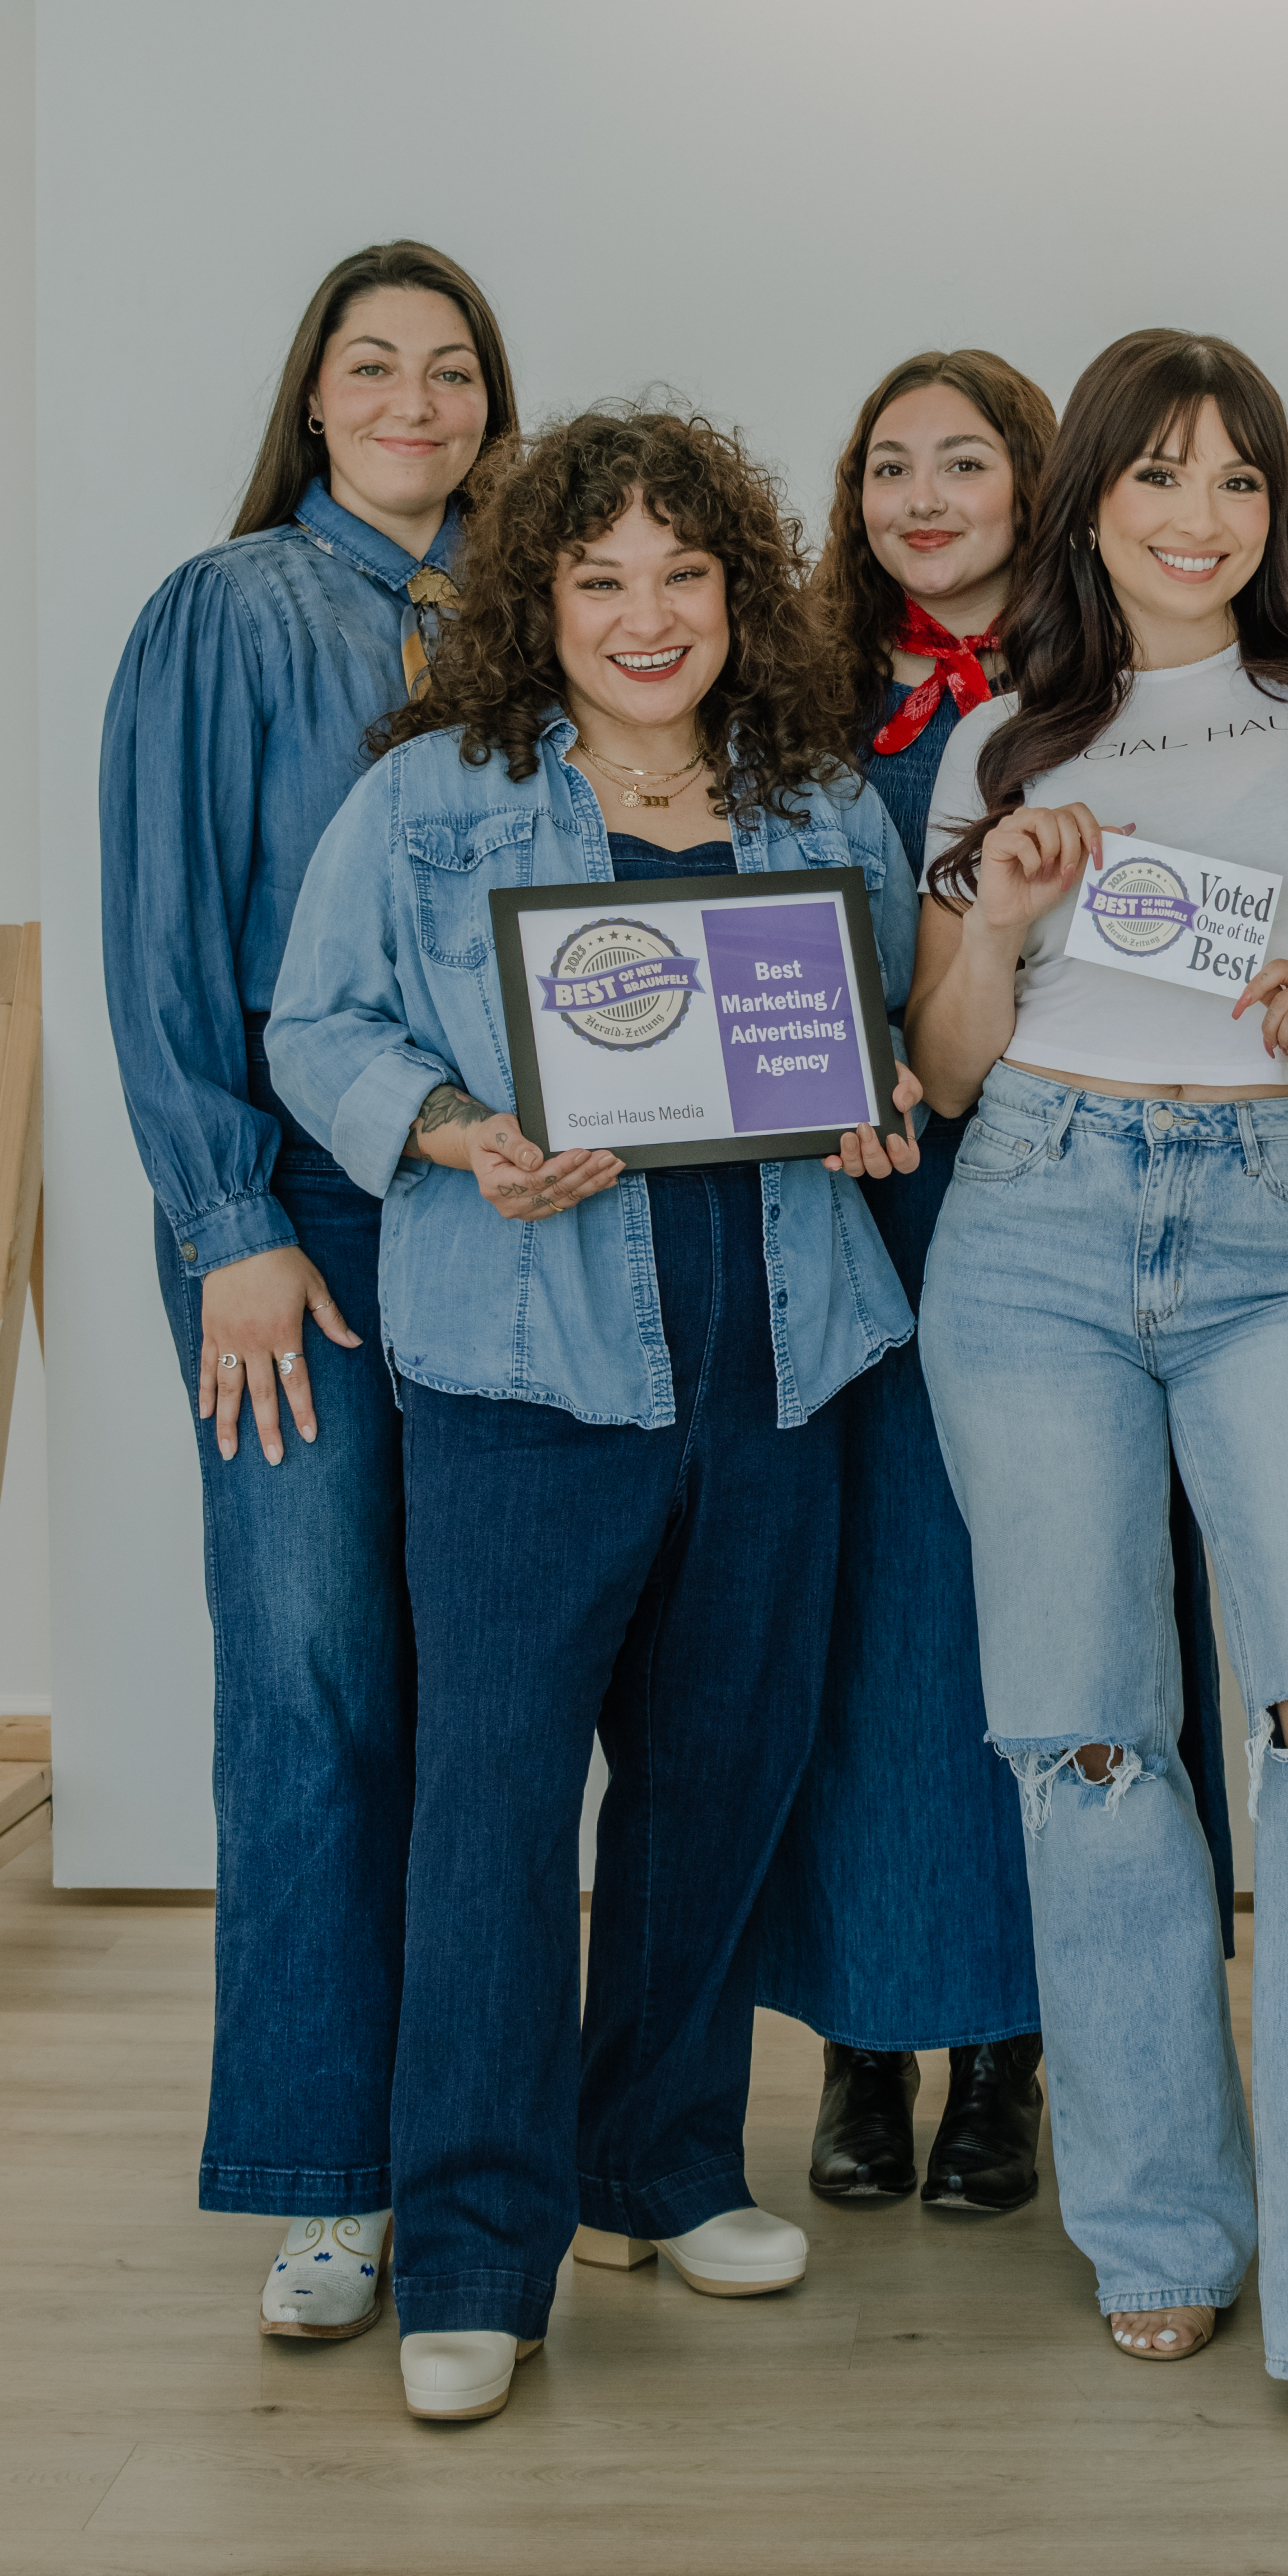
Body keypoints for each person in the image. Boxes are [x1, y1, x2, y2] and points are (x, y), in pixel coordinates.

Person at [269, 408, 921, 2427]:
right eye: (600, 580)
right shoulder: (433, 801)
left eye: (687, 577)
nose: (648, 619)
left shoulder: (818, 799)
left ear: (742, 595)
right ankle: (474, 2249)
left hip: (782, 1357)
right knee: (491, 1811)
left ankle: (657, 2166)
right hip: (524, 1373)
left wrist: (883, 1105)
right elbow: (315, 1029)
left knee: (716, 1788)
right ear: (538, 601)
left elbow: (880, 1046)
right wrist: (457, 1133)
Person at [906, 327, 1288, 2466]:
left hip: (1277, 1228)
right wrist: (1000, 926)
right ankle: (1159, 2224)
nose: (1200, 517)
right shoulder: (1002, 742)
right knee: (1083, 1738)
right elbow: (945, 1068)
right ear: (1092, 507)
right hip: (1036, 1223)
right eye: (1159, 477)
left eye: (1238, 481)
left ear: (1277, 512)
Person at [100, 238, 518, 2345]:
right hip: (298, 1237)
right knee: (315, 1695)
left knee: (492, 1719)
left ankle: (478, 2161)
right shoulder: (232, 611)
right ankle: (324, 2180)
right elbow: (167, 952)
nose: (418, 404)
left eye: (453, 371)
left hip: (506, 1214)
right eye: (377, 368)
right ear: (316, 394)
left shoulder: (537, 628)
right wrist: (226, 1232)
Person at [758, 350, 1056, 2212]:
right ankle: (861, 2044)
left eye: (964, 462)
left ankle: (1017, 2047)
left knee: (1029, 1614)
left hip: (1037, 1205)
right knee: (853, 1621)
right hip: (838, 1212)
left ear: (1037, 484)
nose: (923, 497)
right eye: (889, 466)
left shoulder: (1123, 696)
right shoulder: (777, 699)